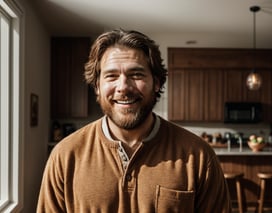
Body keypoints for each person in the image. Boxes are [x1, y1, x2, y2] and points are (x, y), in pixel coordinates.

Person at [37, 29, 231, 213]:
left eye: (136, 74)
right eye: (111, 76)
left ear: (156, 82)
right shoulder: (64, 156)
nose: (123, 87)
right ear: (97, 86)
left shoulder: (198, 156)